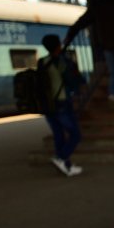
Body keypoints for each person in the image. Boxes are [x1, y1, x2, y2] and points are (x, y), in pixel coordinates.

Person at [65, 0, 114, 110]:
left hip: (107, 45)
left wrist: (69, 36)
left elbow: (81, 22)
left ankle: (113, 95)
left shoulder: (98, 9)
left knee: (113, 72)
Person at [40, 35, 83, 177]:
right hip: (62, 102)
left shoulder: (42, 62)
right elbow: (73, 81)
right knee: (75, 134)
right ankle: (61, 158)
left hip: (47, 104)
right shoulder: (62, 61)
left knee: (58, 134)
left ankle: (66, 166)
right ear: (58, 45)